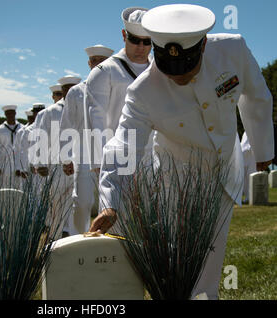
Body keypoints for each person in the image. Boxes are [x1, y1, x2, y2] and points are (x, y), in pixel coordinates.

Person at [89, 4, 274, 300]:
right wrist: (111, 201)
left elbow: (256, 95)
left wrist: (263, 147)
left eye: (186, 68)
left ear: (202, 46)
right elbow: (123, 146)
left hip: (226, 171)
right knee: (179, 261)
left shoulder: (232, 49)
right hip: (177, 179)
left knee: (211, 259)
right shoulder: (142, 91)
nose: (178, 78)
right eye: (169, 69)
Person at [84, 7, 153, 173]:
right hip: (118, 160)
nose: (141, 47)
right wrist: (99, 163)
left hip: (152, 158)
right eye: (135, 40)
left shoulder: (158, 71)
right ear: (124, 35)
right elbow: (96, 118)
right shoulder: (105, 71)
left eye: (147, 41)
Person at [60, 44, 114, 234]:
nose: (98, 64)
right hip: (82, 153)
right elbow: (67, 125)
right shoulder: (76, 92)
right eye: (95, 61)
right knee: (82, 201)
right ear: (89, 63)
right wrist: (66, 158)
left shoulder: (116, 85)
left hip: (112, 152)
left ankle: (109, 242)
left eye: (102, 61)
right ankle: (78, 238)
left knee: (110, 201)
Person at [33, 75, 81, 237]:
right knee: (57, 204)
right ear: (61, 91)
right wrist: (40, 163)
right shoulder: (50, 112)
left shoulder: (83, 108)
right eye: (66, 89)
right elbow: (41, 138)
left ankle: (73, 238)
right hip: (57, 165)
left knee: (77, 205)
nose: (70, 92)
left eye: (73, 88)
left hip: (78, 165)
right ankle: (54, 238)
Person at [0, 105, 22, 187]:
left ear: (15, 113)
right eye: (8, 113)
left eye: (12, 113)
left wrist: (22, 166)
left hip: (20, 162)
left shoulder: (22, 128)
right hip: (5, 163)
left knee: (20, 186)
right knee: (6, 185)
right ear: (5, 114)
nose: (10, 115)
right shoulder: (0, 130)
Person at [241, 132, 257, 203]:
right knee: (242, 178)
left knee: (250, 177)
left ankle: (249, 197)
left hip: (251, 155)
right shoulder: (246, 132)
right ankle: (243, 196)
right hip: (244, 154)